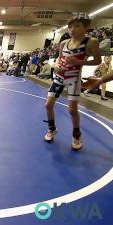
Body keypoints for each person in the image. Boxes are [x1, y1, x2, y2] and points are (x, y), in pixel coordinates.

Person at [44, 15, 101, 150]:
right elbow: (59, 59)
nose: (72, 29)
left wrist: (79, 62)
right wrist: (56, 65)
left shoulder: (91, 42)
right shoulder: (64, 43)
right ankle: (52, 129)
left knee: (72, 110)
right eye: (70, 26)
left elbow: (97, 61)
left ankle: (76, 135)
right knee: (48, 105)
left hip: (74, 77)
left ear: (86, 27)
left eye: (77, 26)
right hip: (59, 76)